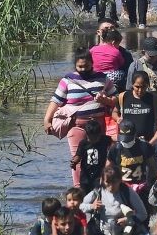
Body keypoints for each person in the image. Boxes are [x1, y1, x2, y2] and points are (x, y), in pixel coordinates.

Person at [43, 50, 115, 185]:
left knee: (100, 156)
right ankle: (78, 190)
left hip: (98, 127)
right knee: (78, 157)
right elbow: (56, 101)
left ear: (92, 64)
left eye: (86, 66)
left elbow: (115, 99)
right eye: (80, 67)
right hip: (76, 126)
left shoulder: (103, 78)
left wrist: (106, 101)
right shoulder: (67, 81)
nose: (83, 69)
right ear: (75, 65)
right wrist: (47, 120)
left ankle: (99, 186)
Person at [115, 72, 157, 147]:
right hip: (126, 143)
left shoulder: (154, 99)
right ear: (132, 85)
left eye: (143, 87)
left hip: (149, 142)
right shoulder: (123, 97)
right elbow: (114, 112)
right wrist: (118, 118)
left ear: (148, 85)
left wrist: (152, 142)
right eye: (137, 87)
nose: (140, 90)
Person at [71, 117, 112, 196]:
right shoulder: (83, 143)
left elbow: (114, 142)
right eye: (91, 138)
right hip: (85, 175)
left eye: (95, 138)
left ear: (100, 134)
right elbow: (78, 155)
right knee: (84, 195)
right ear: (86, 134)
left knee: (98, 194)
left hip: (99, 175)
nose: (93, 140)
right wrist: (74, 162)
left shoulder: (105, 140)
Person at [91, 27, 127, 93]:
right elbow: (121, 63)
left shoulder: (93, 49)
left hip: (96, 75)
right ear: (113, 42)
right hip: (111, 76)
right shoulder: (116, 51)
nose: (119, 46)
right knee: (123, 73)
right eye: (118, 44)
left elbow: (88, 58)